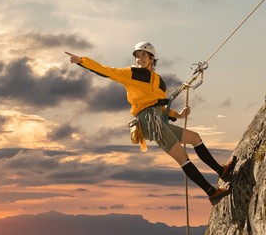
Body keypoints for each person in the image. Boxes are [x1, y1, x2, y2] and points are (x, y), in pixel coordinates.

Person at [65, 41, 236, 205]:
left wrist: (179, 115)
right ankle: (211, 192)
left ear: (152, 58)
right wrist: (82, 61)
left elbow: (161, 108)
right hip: (148, 121)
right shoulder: (130, 73)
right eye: (137, 56)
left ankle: (222, 172)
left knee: (194, 137)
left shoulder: (159, 81)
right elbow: (107, 71)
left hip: (158, 119)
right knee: (182, 157)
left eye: (143, 55)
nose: (139, 59)